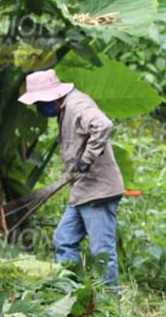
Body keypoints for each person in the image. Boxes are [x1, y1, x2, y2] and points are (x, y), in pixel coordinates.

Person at [17, 69, 124, 287]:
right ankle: (70, 290)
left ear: (53, 96)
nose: (38, 108)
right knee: (64, 240)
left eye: (39, 102)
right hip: (82, 190)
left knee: (101, 252)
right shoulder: (64, 110)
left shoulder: (76, 105)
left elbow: (103, 125)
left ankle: (110, 301)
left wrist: (87, 159)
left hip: (98, 190)